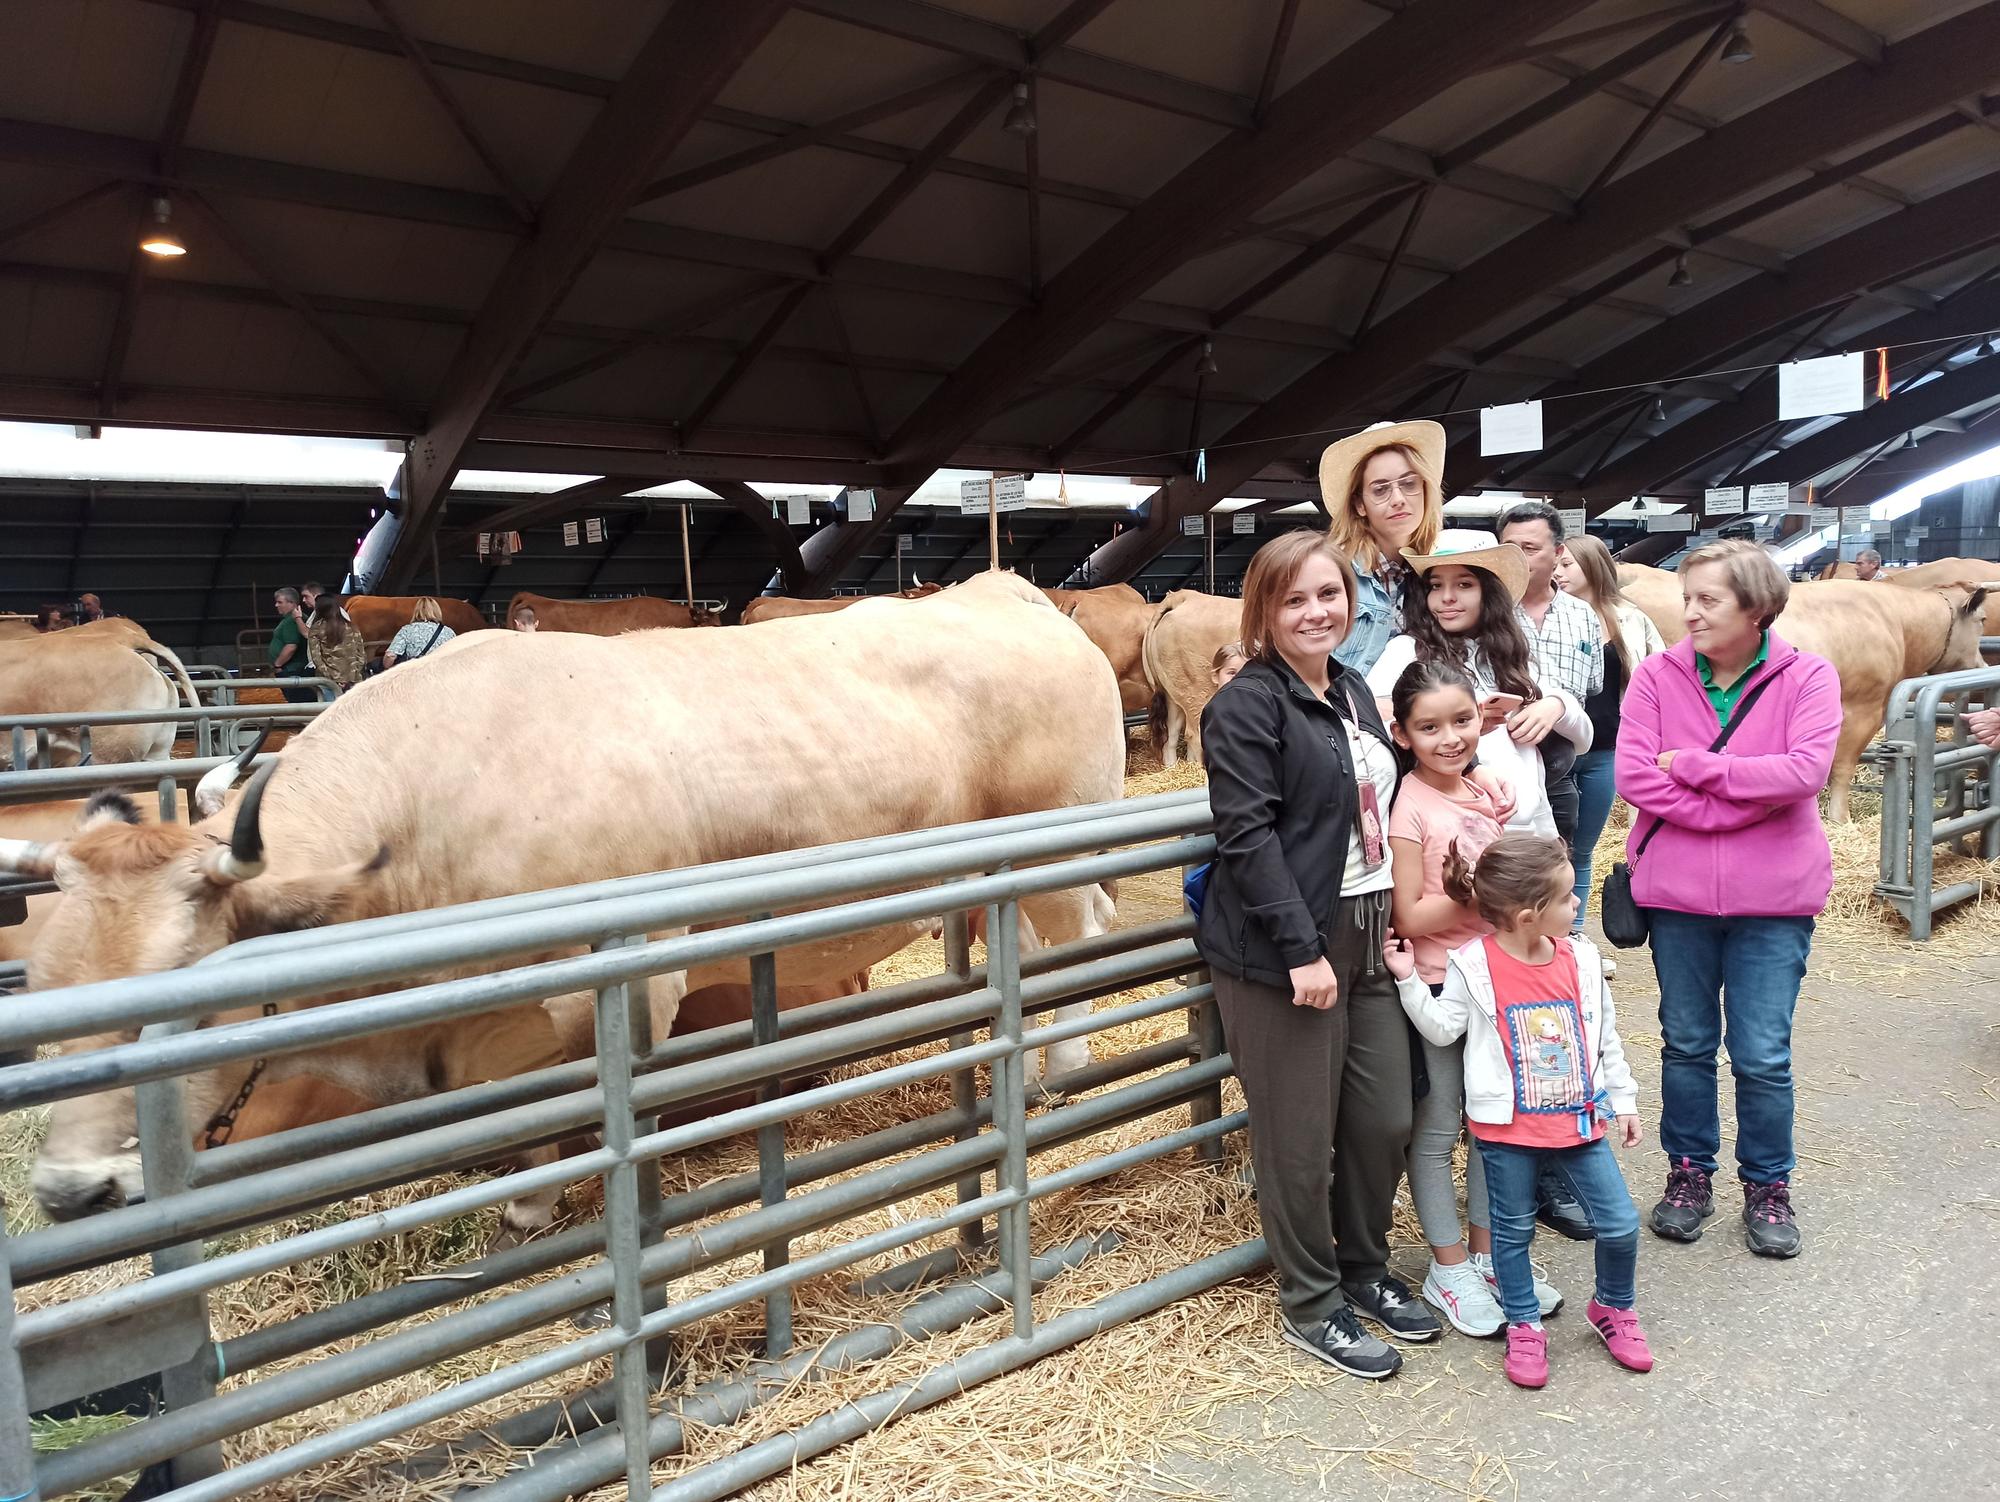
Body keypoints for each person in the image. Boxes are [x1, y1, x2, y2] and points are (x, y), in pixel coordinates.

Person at [1197, 529, 1435, 1382]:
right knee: (1297, 1138)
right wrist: (1301, 949)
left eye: (1328, 595)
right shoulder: (1246, 706)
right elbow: (1248, 835)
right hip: (1286, 945)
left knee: (1384, 1120)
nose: (1315, 612)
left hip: (1371, 929)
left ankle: (1365, 1270)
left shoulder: (1355, 689)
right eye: (1294, 598)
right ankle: (1312, 1299)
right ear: (1265, 609)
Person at [1616, 539, 1840, 1259]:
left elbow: (1804, 772)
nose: (1690, 613)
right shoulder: (1655, 675)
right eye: (1689, 598)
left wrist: (1697, 768)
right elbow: (1634, 778)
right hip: (1678, 898)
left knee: (1761, 1052)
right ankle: (1689, 1174)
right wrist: (1741, 796)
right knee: (1685, 1043)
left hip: (1773, 901)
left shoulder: (1808, 679)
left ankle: (1767, 1185)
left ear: (1757, 607)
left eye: (1707, 600)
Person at [1391, 833, 1650, 1390]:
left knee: (1621, 1224)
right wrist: (1411, 980)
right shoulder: (1472, 964)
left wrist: (1622, 1099)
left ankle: (1613, 1307)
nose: (1577, 904)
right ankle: (1525, 1324)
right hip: (1507, 1130)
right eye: (1566, 898)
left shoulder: (1581, 959)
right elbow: (1444, 1028)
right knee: (1511, 1235)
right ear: (1531, 915)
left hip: (1578, 1122)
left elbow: (1604, 1037)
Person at [1384, 660, 1562, 1337]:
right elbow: (1408, 914)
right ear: (1403, 734)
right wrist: (1476, 894)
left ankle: (1491, 1256)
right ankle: (1449, 1265)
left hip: (1497, 979)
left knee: (1493, 1126)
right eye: (1429, 727)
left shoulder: (1483, 790)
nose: (1449, 738)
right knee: (1437, 1133)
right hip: (1440, 981)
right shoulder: (1410, 810)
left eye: (1461, 721)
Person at [1365, 532, 1591, 843]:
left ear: (1490, 591)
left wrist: (1557, 705)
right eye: (1435, 586)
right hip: (1454, 839)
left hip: (1527, 841)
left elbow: (1582, 740)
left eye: (1464, 584)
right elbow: (1373, 724)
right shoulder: (1406, 652)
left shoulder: (1512, 657)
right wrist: (1468, 756)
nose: (1446, 597)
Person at [1552, 534, 1667, 972]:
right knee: (1550, 844)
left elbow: (1657, 673)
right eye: (1557, 565)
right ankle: (1546, 933)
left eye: (1568, 565)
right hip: (1556, 750)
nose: (1559, 573)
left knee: (1583, 849)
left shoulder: (1630, 620)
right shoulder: (1544, 618)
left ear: (1594, 567)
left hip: (1606, 751)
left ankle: (1574, 933)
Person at [1497, 502, 1603, 850]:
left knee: (1568, 865)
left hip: (1567, 762)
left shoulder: (1583, 614)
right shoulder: (1490, 614)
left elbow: (1592, 687)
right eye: (1509, 548)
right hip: (1509, 770)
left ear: (1557, 553)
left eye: (1529, 549)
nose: (1518, 558)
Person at [1320, 420, 1445, 676]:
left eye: (1409, 484)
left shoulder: (1439, 569)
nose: (1398, 499)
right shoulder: (1330, 569)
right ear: (1359, 505)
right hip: (1345, 711)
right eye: (1381, 489)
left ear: (1425, 491)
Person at [307, 591, 369, 693]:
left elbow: (316, 658)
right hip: (353, 679)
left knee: (330, 707)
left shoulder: (316, 629)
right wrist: (351, 676)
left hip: (328, 681)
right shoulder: (352, 626)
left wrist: (334, 678)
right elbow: (361, 654)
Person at [382, 597, 456, 668]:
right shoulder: (449, 632)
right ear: (437, 611)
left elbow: (390, 655)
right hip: (441, 674)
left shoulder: (407, 630)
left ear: (417, 611)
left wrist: (387, 668)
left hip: (415, 674)